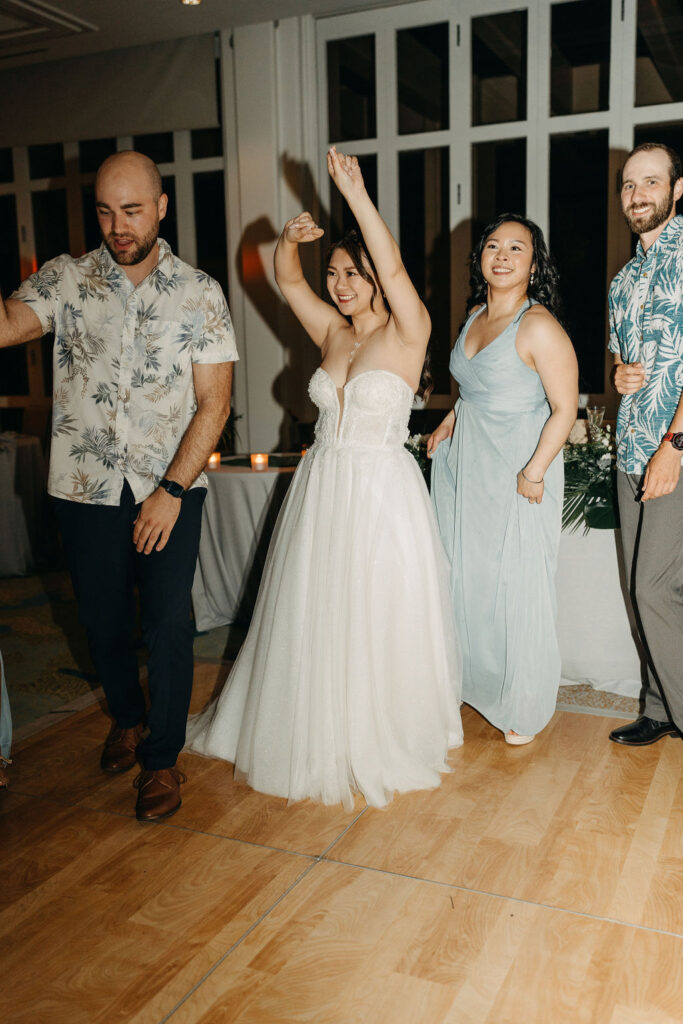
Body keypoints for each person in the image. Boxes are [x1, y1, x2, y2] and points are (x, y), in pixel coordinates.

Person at [187, 146, 463, 809]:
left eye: (353, 273)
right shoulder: (333, 335)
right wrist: (287, 241)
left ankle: (375, 730)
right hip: (323, 488)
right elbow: (285, 281)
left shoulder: (409, 331)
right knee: (317, 609)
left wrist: (356, 198)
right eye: (335, 272)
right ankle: (312, 723)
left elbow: (393, 266)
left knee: (374, 611)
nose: (340, 284)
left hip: (380, 492)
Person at [0, 151, 238, 819]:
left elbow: (213, 404)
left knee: (167, 624)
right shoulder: (67, 279)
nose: (118, 224)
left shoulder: (200, 292)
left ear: (162, 207)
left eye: (132, 210)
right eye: (105, 210)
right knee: (102, 625)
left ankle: (161, 760)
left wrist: (170, 490)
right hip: (85, 487)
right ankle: (126, 719)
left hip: (171, 485)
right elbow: (9, 325)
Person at [428, 214, 578, 745]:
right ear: (481, 258)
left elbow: (565, 408)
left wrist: (535, 470)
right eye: (494, 246)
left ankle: (524, 704)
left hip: (520, 467)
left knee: (518, 583)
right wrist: (450, 419)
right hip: (469, 465)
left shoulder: (538, 326)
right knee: (468, 578)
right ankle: (475, 681)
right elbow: (471, 386)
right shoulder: (473, 317)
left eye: (518, 248)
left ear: (534, 265)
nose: (503, 255)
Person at [606, 142, 683, 748]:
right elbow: (626, 356)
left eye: (650, 183)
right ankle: (657, 705)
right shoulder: (623, 280)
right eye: (630, 185)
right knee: (639, 592)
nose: (638, 195)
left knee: (656, 588)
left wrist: (675, 444)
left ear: (677, 190)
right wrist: (620, 375)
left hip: (675, 451)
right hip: (631, 447)